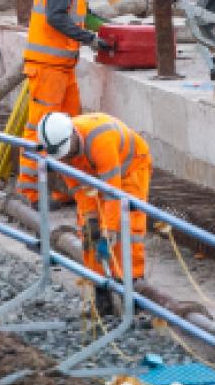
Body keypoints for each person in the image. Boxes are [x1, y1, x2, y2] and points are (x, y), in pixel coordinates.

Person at [18, 0, 100, 205]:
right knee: (41, 130)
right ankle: (30, 192)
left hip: (61, 68)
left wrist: (106, 31)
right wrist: (89, 38)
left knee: (71, 130)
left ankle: (65, 189)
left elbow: (81, 15)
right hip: (48, 68)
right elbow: (56, 16)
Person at [36, 110, 152, 301]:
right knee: (89, 233)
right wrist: (91, 218)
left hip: (129, 169)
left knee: (126, 227)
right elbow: (80, 188)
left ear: (73, 134)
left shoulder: (101, 141)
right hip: (95, 173)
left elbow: (113, 194)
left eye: (68, 152)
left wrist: (109, 233)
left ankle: (131, 284)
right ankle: (99, 286)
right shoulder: (59, 151)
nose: (67, 157)